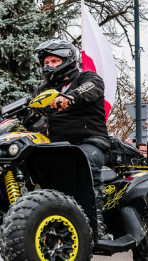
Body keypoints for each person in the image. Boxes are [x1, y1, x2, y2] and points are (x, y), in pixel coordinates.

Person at [33, 39, 112, 238]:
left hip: (89, 142)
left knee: (82, 159)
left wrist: (70, 97)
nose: (48, 66)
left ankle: (97, 224)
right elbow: (29, 113)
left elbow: (91, 89)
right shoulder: (42, 91)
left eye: (54, 61)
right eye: (46, 62)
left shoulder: (87, 78)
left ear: (68, 60)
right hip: (55, 148)